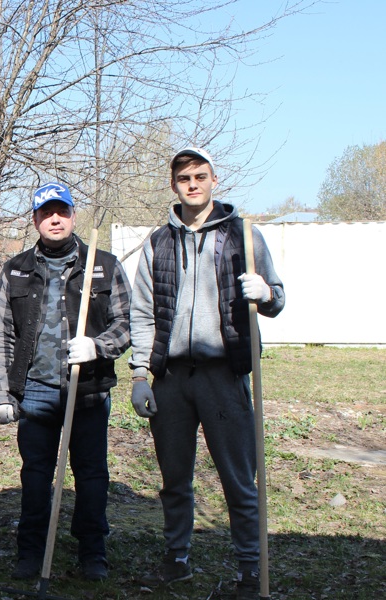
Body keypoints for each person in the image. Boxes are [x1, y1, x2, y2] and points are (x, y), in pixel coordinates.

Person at [128, 148, 285, 599]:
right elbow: (142, 313)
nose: (192, 184)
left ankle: (251, 570)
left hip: (224, 375)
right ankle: (177, 559)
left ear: (215, 180)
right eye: (183, 177)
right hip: (172, 378)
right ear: (173, 184)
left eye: (200, 176)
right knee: (174, 479)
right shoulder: (158, 242)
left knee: (239, 480)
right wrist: (140, 376)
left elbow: (277, 297)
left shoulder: (244, 236)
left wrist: (267, 294)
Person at [0, 182, 131, 582]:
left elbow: (127, 323)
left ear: (72, 215)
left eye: (61, 211)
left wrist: (98, 346)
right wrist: (0, 392)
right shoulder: (15, 269)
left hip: (88, 390)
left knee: (91, 476)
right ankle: (31, 552)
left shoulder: (102, 264)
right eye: (46, 212)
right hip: (36, 389)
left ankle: (92, 553)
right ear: (35, 219)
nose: (55, 218)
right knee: (35, 476)